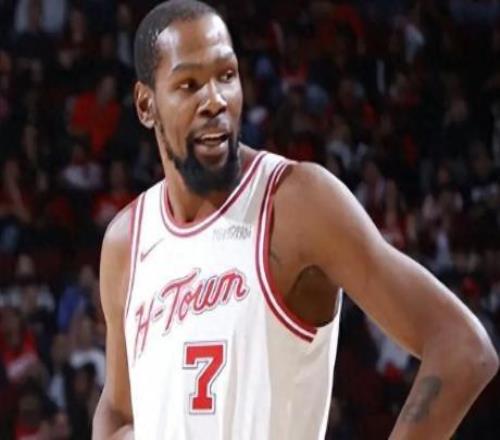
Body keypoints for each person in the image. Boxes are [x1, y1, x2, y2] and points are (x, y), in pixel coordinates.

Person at [92, 1, 499, 439]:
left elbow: (462, 348)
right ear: (146, 104)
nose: (214, 100)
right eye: (189, 84)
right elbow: (117, 409)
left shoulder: (296, 203)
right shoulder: (126, 242)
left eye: (226, 75)